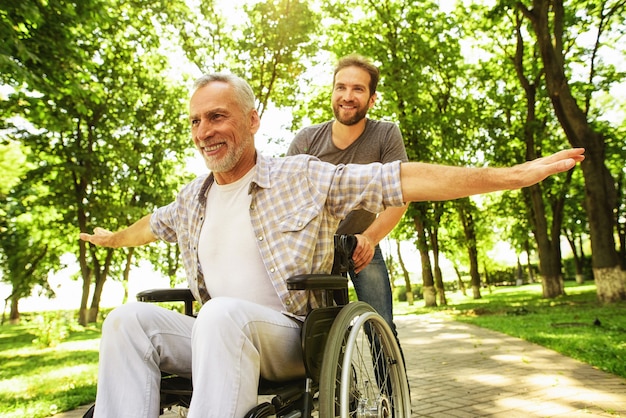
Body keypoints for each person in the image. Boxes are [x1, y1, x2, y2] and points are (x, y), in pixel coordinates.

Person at [79, 72, 584, 417]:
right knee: (126, 321)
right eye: (195, 121)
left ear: (252, 120)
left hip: (290, 338)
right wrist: (114, 239)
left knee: (219, 314)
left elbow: (401, 180)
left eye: (217, 117)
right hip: (215, 337)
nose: (204, 131)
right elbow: (152, 225)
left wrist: (510, 176)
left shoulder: (301, 176)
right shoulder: (193, 199)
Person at [287, 54, 407, 340]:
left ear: (372, 98)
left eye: (358, 89)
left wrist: (370, 238)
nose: (347, 96)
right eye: (341, 87)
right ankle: (336, 384)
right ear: (332, 92)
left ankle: (390, 386)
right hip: (316, 248)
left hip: (363, 239)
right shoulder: (307, 140)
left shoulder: (386, 134)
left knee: (382, 329)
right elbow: (287, 199)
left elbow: (400, 197)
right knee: (323, 334)